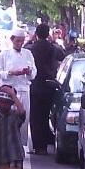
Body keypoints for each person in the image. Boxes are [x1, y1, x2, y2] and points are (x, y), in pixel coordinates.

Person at [26, 23, 65, 155]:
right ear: (48, 33)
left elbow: (26, 48)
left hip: (35, 84)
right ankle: (45, 143)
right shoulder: (53, 48)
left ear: (36, 34)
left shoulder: (31, 48)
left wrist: (31, 39)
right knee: (45, 114)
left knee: (35, 116)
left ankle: (38, 145)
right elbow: (62, 55)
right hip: (49, 85)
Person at [0, 29, 36, 148]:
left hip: (24, 90)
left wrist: (28, 72)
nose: (20, 43)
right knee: (7, 117)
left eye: (22, 41)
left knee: (23, 118)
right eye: (17, 41)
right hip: (8, 91)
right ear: (12, 40)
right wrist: (11, 73)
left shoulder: (28, 54)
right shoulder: (4, 54)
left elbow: (33, 73)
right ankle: (4, 142)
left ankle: (20, 144)